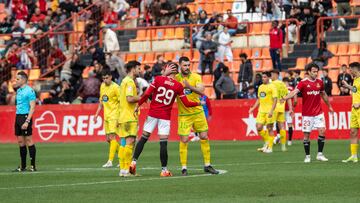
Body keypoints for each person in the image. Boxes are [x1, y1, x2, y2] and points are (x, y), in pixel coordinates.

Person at [130, 63, 200, 177]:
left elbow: (147, 94)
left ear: (167, 69)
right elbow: (186, 103)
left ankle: (133, 162)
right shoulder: (178, 86)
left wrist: (138, 105)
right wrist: (198, 103)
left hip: (152, 113)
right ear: (176, 72)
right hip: (165, 117)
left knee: (143, 138)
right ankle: (164, 170)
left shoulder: (158, 79)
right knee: (163, 143)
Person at [175, 56, 219, 175]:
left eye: (188, 65)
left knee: (204, 136)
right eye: (184, 65)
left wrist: (189, 87)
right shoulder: (176, 78)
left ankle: (207, 165)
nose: (187, 67)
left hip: (198, 112)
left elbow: (202, 91)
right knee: (184, 139)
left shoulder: (196, 77)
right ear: (180, 65)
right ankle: (184, 168)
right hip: (184, 114)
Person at [282, 63, 334, 163]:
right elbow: (294, 92)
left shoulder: (320, 82)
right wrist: (285, 97)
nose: (316, 73)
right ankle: (307, 156)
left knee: (322, 131)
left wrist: (330, 107)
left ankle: (320, 154)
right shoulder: (303, 83)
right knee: (306, 135)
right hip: (307, 114)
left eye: (316, 71)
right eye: (313, 71)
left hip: (318, 113)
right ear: (309, 72)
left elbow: (324, 95)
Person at [94, 70, 121, 168]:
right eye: (103, 78)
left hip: (114, 115)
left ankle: (110, 161)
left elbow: (121, 103)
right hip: (106, 115)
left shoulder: (116, 88)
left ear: (111, 77)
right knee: (108, 139)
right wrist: (96, 114)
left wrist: (119, 117)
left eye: (106, 78)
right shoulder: (102, 86)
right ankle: (123, 157)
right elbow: (101, 101)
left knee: (112, 137)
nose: (105, 80)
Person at [118, 61, 141, 177]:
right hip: (129, 116)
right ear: (132, 69)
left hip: (123, 116)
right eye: (138, 68)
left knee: (124, 144)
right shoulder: (130, 82)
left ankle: (122, 169)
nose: (139, 70)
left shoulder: (123, 81)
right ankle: (127, 169)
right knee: (130, 143)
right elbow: (129, 98)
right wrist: (141, 97)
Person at [13, 71, 37, 172]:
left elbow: (32, 107)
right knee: (20, 141)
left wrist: (27, 121)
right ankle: (23, 166)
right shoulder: (18, 91)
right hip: (18, 116)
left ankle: (32, 165)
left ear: (23, 80)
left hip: (25, 117)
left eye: (18, 79)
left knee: (29, 140)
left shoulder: (30, 91)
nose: (16, 80)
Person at [249, 72, 278, 153]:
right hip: (261, 111)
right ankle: (267, 143)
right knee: (258, 127)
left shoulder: (272, 87)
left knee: (270, 128)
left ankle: (270, 148)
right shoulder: (261, 87)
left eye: (264, 77)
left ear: (269, 77)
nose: (263, 78)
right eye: (262, 77)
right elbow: (259, 99)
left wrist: (272, 111)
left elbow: (275, 99)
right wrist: (253, 108)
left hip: (270, 111)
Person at [341, 62, 360, 163]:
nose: (349, 71)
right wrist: (348, 86)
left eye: (350, 70)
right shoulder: (355, 79)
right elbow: (356, 90)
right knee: (353, 132)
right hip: (354, 109)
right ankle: (354, 156)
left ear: (355, 69)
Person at [271, 70, 293, 152]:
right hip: (281, 108)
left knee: (270, 126)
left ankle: (269, 145)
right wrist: (290, 108)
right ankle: (283, 146)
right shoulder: (283, 85)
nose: (271, 76)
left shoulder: (271, 84)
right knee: (282, 126)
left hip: (273, 108)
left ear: (275, 75)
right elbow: (288, 97)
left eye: (272, 74)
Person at [283, 77, 297, 146]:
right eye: (284, 82)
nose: (284, 84)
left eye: (285, 82)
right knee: (282, 125)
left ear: (288, 83)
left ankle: (289, 140)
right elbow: (295, 100)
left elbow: (295, 100)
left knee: (289, 124)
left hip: (288, 110)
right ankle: (286, 140)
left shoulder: (290, 89)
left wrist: (292, 108)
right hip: (283, 109)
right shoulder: (285, 89)